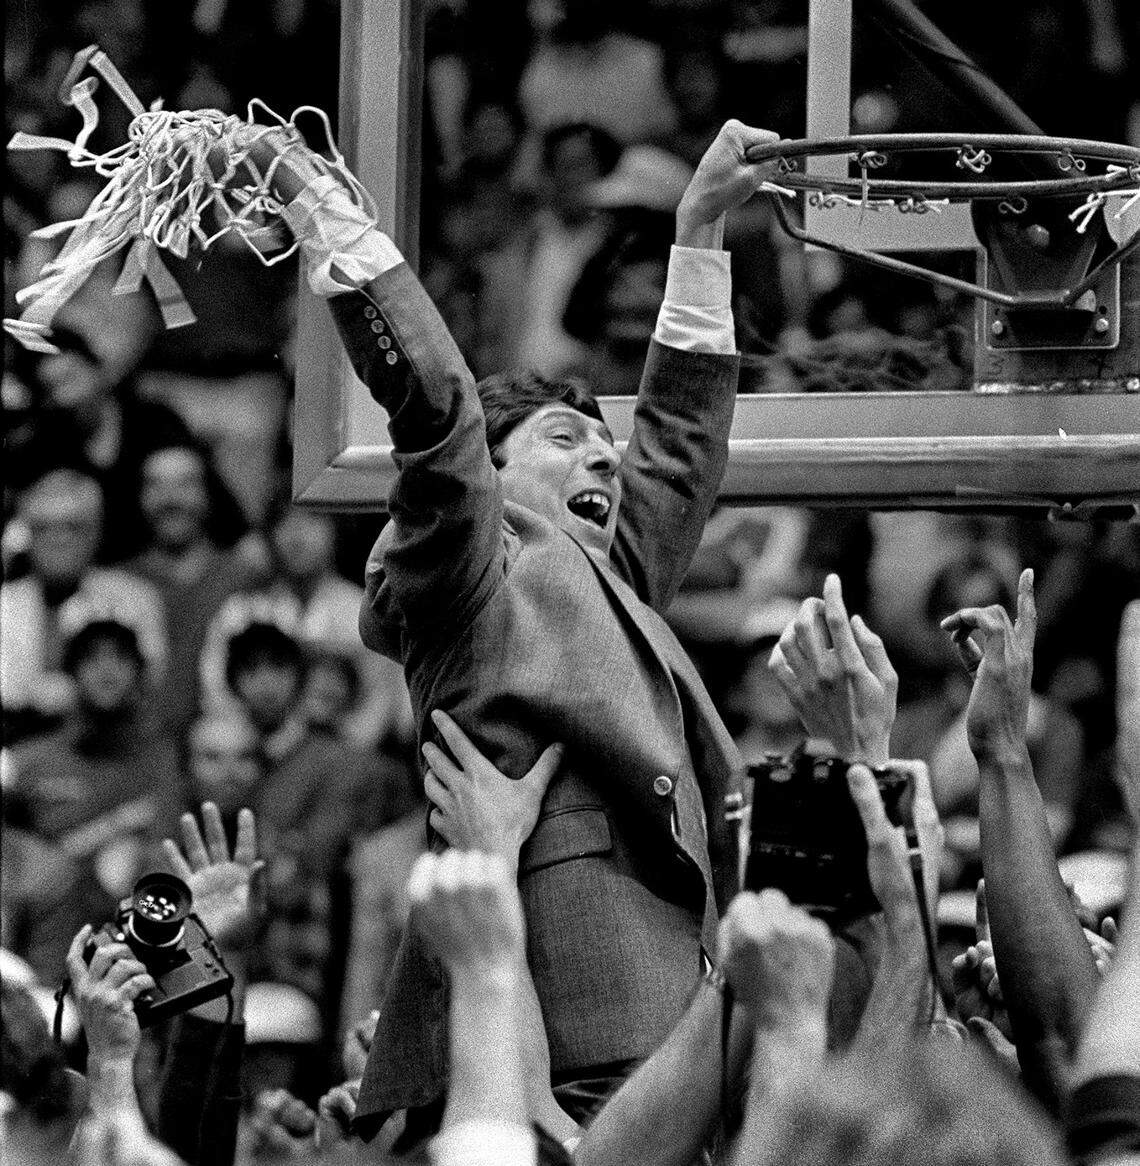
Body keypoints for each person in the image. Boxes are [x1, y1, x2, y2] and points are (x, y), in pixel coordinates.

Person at [249, 117, 783, 1131]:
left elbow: (675, 449)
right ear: (490, 480)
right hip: (566, 1054)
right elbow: (438, 415)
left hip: (673, 1055)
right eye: (567, 437)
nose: (605, 460)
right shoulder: (473, 578)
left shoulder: (603, 582)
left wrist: (700, 224)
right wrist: (324, 215)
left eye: (603, 444)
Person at [0, 468, 167, 744]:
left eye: (73, 526)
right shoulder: (5, 602)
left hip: (106, 750)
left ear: (97, 532)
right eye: (44, 527)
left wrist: (76, 696)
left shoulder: (133, 599)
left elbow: (148, 687)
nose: (59, 539)